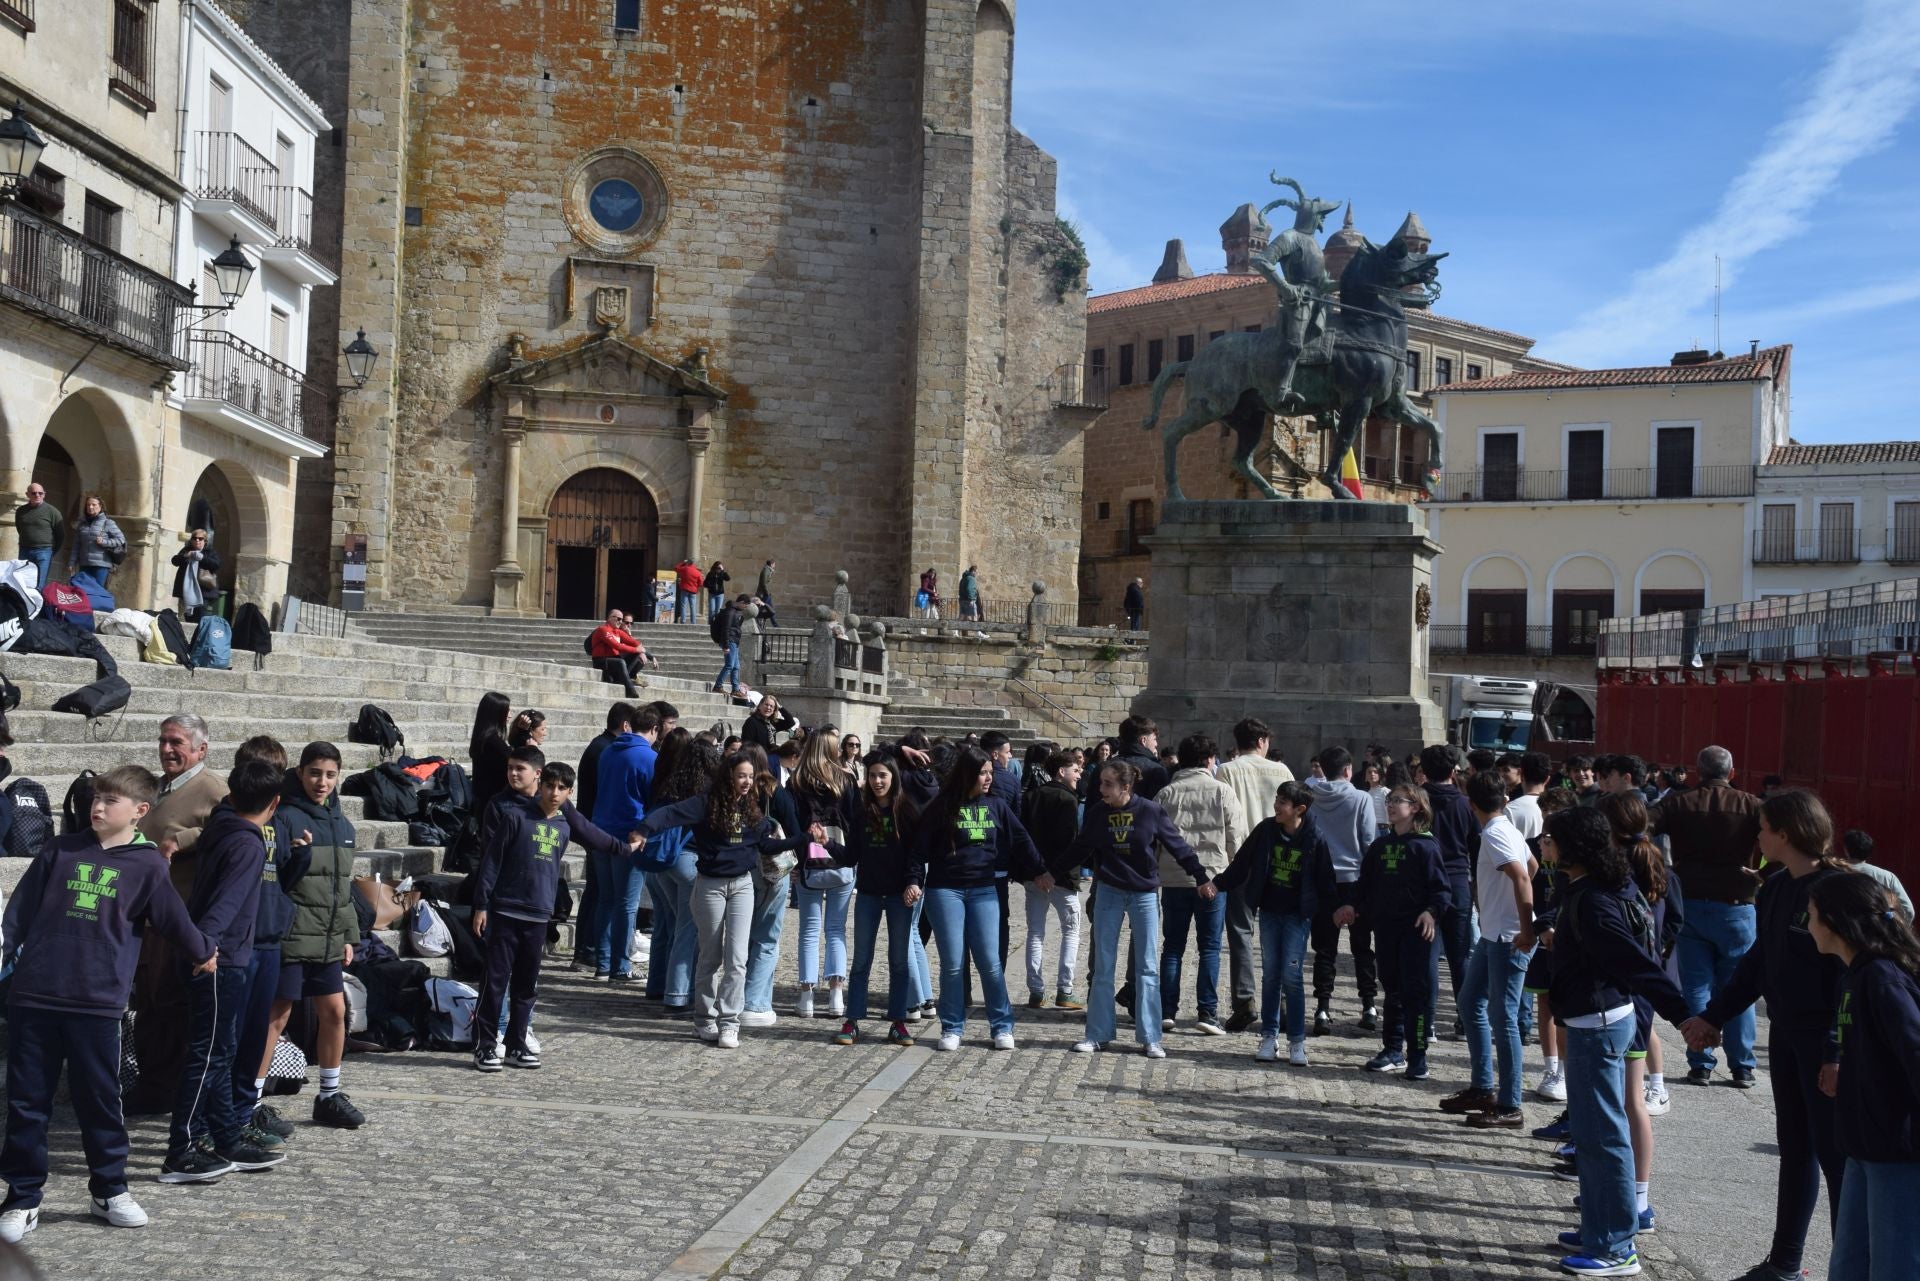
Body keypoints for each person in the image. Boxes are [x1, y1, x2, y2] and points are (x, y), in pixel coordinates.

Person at [0, 766, 218, 1242]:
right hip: (35, 995)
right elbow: (18, 913)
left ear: (140, 812)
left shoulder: (148, 866)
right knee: (26, 1103)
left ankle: (109, 1189)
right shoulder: (59, 849)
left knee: (99, 1100)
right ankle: (21, 1197)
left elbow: (174, 921)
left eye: (110, 802)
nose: (97, 807)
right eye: (96, 798)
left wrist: (203, 952)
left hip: (97, 1003)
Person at [1683, 789, 1850, 1281]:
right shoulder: (1776, 886)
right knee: (1795, 1149)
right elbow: (1757, 965)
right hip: (1787, 1036)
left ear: (1786, 833)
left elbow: (1850, 979)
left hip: (1824, 1044)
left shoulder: (1836, 891)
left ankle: (1849, 1268)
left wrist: (1837, 1052)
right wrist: (1713, 1016)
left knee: (1838, 1163)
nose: (1754, 834)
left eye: (1761, 826)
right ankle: (1784, 1264)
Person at [1545, 806, 1693, 1279]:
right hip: (1597, 1017)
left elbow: (1634, 961)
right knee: (1590, 1137)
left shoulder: (1594, 899)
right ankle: (1599, 1227)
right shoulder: (1596, 886)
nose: (1543, 844)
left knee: (1603, 1137)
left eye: (1552, 838)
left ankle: (1615, 1247)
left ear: (1575, 848)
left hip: (1598, 1023)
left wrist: (1684, 1015)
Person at [636, 752, 812, 1048]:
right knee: (710, 955)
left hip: (742, 885)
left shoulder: (752, 808)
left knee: (737, 958)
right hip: (710, 885)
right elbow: (669, 814)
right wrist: (643, 829)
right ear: (729, 776)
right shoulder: (705, 803)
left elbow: (766, 845)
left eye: (751, 776)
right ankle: (704, 1018)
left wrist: (803, 839)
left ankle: (730, 1022)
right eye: (741, 776)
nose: (747, 782)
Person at [163, 759, 285, 1181]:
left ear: (230, 794)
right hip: (219, 958)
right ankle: (181, 1148)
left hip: (218, 954)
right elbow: (226, 905)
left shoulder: (223, 826)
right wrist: (205, 947)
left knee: (222, 1050)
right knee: (209, 1054)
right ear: (275, 802)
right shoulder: (249, 844)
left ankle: (226, 1135)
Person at [473, 762, 639, 1071]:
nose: (554, 793)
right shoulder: (515, 817)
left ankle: (516, 1044)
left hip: (539, 915)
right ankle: (485, 1044)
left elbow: (594, 836)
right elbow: (491, 864)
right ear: (541, 785)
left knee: (526, 985)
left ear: (569, 792)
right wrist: (481, 905)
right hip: (507, 909)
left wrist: (625, 849)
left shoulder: (564, 824)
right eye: (550, 786)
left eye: (562, 788)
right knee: (495, 982)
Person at [1808, 871, 1920, 1281]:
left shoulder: (1883, 979)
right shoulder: (1855, 974)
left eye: (1812, 915)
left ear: (1835, 922)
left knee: (1896, 1267)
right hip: (1863, 1145)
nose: (1808, 924)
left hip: (1897, 1152)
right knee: (1848, 1266)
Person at [908, 745, 1049, 1051]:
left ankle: (1001, 1025)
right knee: (953, 963)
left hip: (985, 889)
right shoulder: (941, 806)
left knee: (990, 962)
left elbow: (1021, 839)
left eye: (989, 772)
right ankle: (952, 1026)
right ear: (968, 774)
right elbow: (919, 849)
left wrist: (1040, 870)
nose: (989, 778)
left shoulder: (996, 805)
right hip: (945, 890)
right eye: (983, 773)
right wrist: (914, 881)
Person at [1068, 759, 1208, 1059]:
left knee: (1146, 966)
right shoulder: (1097, 813)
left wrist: (1200, 876)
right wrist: (1051, 873)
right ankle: (1097, 1034)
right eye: (1101, 783)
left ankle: (1150, 1037)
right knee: (1103, 965)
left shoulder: (1150, 811)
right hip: (1109, 891)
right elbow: (1080, 848)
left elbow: (1177, 845)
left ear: (1126, 787)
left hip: (1144, 893)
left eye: (1108, 784)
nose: (1101, 789)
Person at [125, 715, 229, 1115]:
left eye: (177, 743)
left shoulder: (214, 789)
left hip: (180, 918)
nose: (167, 749)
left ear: (201, 749)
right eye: (163, 741)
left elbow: (235, 828)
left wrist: (182, 840)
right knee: (150, 1005)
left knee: (170, 1006)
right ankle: (153, 1083)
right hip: (147, 919)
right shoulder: (161, 787)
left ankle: (170, 1089)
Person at [1653, 744, 1764, 1088]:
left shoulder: (1678, 803)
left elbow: (1643, 821)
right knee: (1738, 987)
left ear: (1697, 773)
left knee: (1696, 986)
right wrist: (1764, 873)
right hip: (1737, 902)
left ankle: (1700, 1061)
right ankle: (1742, 1065)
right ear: (1732, 773)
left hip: (1690, 901)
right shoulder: (1752, 805)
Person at [270, 743, 363, 1128]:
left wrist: (348, 935)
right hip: (292, 937)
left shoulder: (344, 825)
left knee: (335, 1012)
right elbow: (278, 879)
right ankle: (252, 1102)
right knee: (275, 1019)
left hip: (327, 938)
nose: (321, 782)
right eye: (313, 773)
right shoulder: (286, 817)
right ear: (299, 773)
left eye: (329, 775)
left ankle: (328, 1095)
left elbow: (343, 888)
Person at [1441, 771, 1537, 1127]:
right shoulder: (1507, 828)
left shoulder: (1496, 834)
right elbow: (1532, 866)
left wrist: (1525, 930)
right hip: (1494, 933)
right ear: (1505, 799)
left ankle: (1510, 1104)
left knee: (1504, 1017)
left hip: (1508, 936)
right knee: (1470, 1001)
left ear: (1470, 804)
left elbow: (1522, 875)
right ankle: (1482, 1087)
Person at [1211, 780, 1330, 1065]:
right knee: (1271, 975)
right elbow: (1242, 862)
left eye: (1283, 802)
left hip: (1297, 917)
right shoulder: (1266, 830)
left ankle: (1297, 1041)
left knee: (1292, 977)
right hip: (1270, 913)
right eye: (1276, 799)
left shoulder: (1315, 838)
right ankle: (1269, 1036)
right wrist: (1218, 884)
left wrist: (1337, 910)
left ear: (1299, 809)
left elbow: (1326, 880)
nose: (1276, 805)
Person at [1343, 784, 1450, 1077]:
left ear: (1415, 807)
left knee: (1414, 993)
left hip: (1415, 931)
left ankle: (1417, 1056)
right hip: (1386, 929)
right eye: (1389, 801)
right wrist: (1351, 906)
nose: (1390, 806)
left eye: (1397, 801)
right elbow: (1364, 885)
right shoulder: (1380, 846)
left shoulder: (1426, 846)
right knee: (1391, 991)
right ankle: (1392, 1049)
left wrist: (1431, 912)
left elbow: (1441, 890)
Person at [228, 737, 302, 1146]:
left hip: (271, 935)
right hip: (239, 941)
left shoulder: (283, 820)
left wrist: (301, 857)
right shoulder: (230, 815)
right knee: (231, 1038)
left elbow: (285, 873)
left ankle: (244, 1111)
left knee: (256, 1034)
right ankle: (222, 1119)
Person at [831, 755, 928, 1047]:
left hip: (899, 895)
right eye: (872, 775)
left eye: (882, 775)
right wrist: (827, 844)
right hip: (870, 895)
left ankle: (898, 1021)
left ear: (893, 777)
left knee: (899, 961)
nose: (877, 781)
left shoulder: (908, 812)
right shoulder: (862, 813)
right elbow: (851, 857)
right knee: (861, 960)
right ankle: (852, 1020)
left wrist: (914, 882)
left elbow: (916, 856)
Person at [1156, 734, 1245, 1036]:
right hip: (1212, 879)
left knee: (1172, 947)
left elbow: (1154, 839)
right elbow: (1236, 838)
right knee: (1209, 947)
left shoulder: (1166, 793)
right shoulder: (1223, 791)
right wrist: (1231, 874)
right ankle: (1207, 1011)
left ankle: (1166, 1010)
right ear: (1210, 760)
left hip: (1173, 878)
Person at [1215, 719, 1295, 1032]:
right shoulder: (1283, 771)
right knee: (1280, 934)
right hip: (1279, 860)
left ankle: (1245, 1000)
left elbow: (1225, 816)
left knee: (1240, 931)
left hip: (1243, 859)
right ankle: (1285, 1002)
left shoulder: (1227, 770)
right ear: (1262, 740)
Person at [1304, 745, 1380, 1035]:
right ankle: (1369, 1004)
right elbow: (1369, 840)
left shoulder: (1312, 798)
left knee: (1324, 948)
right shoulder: (1361, 798)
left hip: (1324, 880)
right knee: (1362, 946)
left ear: (1322, 767)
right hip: (1355, 878)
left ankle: (1322, 1008)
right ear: (1348, 770)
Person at [788, 730, 862, 1019]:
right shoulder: (846, 780)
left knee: (808, 930)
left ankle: (806, 997)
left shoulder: (796, 782)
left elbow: (792, 824)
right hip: (840, 857)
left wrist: (796, 860)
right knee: (836, 929)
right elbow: (856, 821)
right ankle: (836, 995)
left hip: (809, 860)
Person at [643, 733, 718, 1015]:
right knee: (689, 930)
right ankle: (677, 996)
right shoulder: (706, 790)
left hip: (663, 861)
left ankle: (657, 985)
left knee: (666, 925)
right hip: (688, 861)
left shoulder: (670, 781)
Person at [589, 705, 662, 981]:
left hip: (600, 830)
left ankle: (603, 963)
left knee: (606, 900)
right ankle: (620, 965)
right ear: (654, 729)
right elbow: (651, 798)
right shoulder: (649, 757)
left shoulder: (608, 751)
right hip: (629, 834)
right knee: (626, 904)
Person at [570, 703, 637, 971]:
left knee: (598, 892)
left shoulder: (601, 746)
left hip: (593, 825)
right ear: (625, 726)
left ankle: (589, 950)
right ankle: (588, 950)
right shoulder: (606, 750)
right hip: (597, 828)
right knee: (599, 893)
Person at [1419, 744, 1477, 1034]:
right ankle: (1465, 1018)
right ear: (1453, 770)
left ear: (1424, 771)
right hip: (1457, 880)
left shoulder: (1417, 802)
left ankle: (1426, 1021)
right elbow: (1476, 846)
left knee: (1426, 955)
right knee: (1459, 955)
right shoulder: (1466, 804)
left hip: (1423, 881)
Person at [1021, 748, 1085, 1011]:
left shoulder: (1031, 796)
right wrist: (1053, 873)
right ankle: (1065, 990)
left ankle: (1036, 991)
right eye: (1076, 770)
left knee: (1036, 932)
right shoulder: (1068, 800)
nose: (1079, 774)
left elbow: (1023, 838)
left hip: (1035, 874)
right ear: (1062, 771)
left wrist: (1038, 870)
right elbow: (1069, 841)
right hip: (1061, 876)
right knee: (1071, 932)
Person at [1840, 829, 1913, 922]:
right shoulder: (1887, 877)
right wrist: (1887, 921)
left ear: (1846, 850)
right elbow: (1908, 911)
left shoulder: (1834, 873)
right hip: (1879, 933)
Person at [66, 495, 126, 600]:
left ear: (100, 506)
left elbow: (121, 540)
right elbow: (76, 545)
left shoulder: (108, 523)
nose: (90, 507)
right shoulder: (82, 524)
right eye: (88, 505)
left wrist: (104, 542)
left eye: (94, 504)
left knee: (97, 594)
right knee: (82, 594)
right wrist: (72, 562)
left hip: (101, 566)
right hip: (84, 565)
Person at [12, 482, 62, 591]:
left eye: (40, 493)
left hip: (44, 551)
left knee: (39, 584)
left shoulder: (52, 512)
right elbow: (20, 528)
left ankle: (38, 607)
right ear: (27, 494)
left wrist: (52, 551)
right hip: (25, 550)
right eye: (34, 493)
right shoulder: (21, 511)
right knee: (23, 582)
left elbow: (60, 535)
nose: (37, 495)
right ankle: (23, 607)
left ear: (44, 494)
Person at [469, 691, 513, 812]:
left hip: (484, 800)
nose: (510, 715)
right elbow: (516, 759)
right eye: (507, 710)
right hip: (494, 802)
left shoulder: (483, 737)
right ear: (497, 713)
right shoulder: (492, 741)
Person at [589, 610, 647, 697]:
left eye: (622, 619)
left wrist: (641, 651)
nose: (621, 622)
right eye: (618, 619)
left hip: (613, 660)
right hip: (600, 661)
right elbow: (617, 646)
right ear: (609, 618)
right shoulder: (603, 629)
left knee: (635, 655)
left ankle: (620, 679)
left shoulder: (617, 631)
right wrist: (637, 650)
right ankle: (630, 691)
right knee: (621, 661)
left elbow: (635, 642)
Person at [170, 529, 222, 621]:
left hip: (203, 592)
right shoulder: (186, 550)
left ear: (205, 541)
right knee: (186, 619)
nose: (197, 540)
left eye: (200, 538)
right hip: (185, 592)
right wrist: (185, 556)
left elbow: (216, 565)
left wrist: (202, 558)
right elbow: (175, 561)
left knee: (200, 619)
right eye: (194, 538)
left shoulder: (209, 552)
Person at [713, 594, 750, 697]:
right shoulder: (730, 612)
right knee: (729, 665)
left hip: (734, 641)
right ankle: (718, 686)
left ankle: (735, 689)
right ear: (742, 602)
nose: (745, 608)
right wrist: (725, 645)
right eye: (745, 606)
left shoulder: (736, 611)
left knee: (736, 666)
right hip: (730, 641)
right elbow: (726, 628)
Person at [673, 558, 705, 623]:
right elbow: (701, 583)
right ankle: (693, 622)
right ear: (693, 564)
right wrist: (696, 587)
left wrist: (683, 563)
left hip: (684, 590)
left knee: (683, 606)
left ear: (687, 563)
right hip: (693, 591)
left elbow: (676, 568)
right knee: (693, 607)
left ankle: (683, 621)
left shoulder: (685, 568)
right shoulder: (697, 572)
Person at [756, 558, 778, 626]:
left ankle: (775, 625)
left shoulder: (768, 570)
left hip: (766, 594)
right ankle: (757, 621)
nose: (775, 566)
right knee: (762, 608)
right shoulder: (766, 570)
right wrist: (767, 592)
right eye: (774, 564)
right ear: (771, 564)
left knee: (770, 609)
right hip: (764, 594)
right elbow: (763, 583)